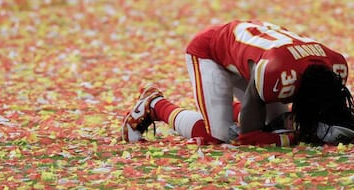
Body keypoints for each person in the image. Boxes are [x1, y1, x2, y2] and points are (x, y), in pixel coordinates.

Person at [121, 20, 354, 146]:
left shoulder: (336, 66)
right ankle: (155, 105)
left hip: (256, 56)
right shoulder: (276, 74)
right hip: (211, 51)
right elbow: (249, 135)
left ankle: (220, 112)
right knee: (220, 135)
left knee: (273, 122)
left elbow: (327, 102)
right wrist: (292, 137)